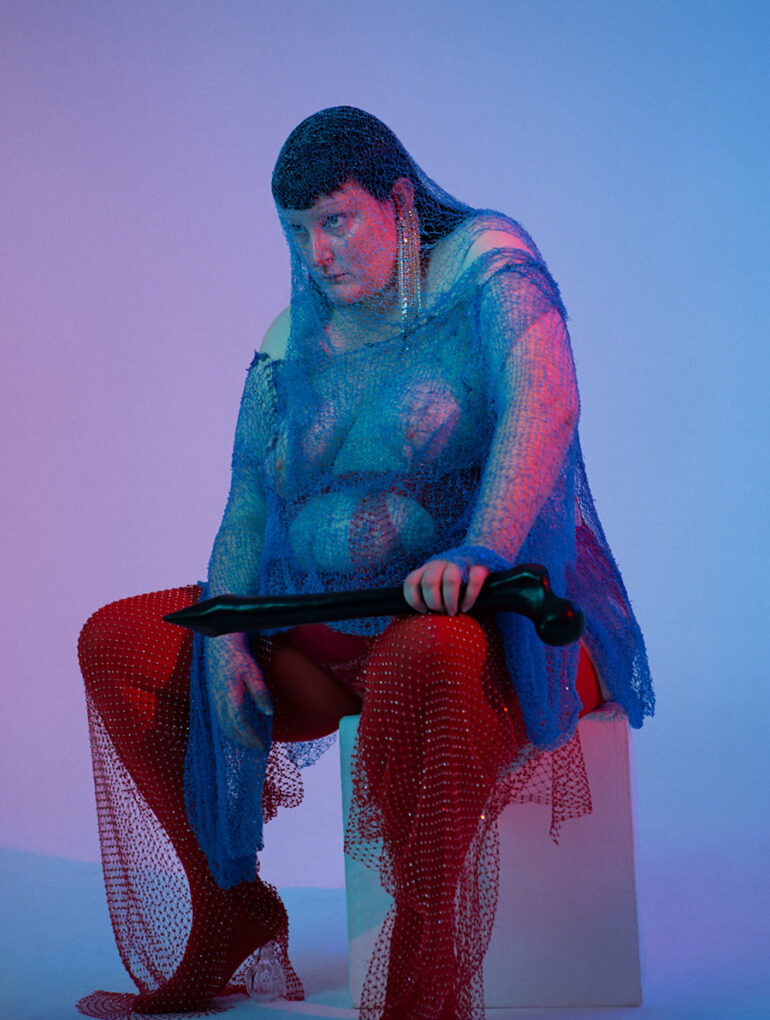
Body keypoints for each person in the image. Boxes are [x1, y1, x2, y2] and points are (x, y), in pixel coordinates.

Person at [77, 107, 653, 1020]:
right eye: (296, 231)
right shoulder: (290, 337)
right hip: (322, 643)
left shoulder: (489, 269)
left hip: (483, 638)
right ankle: (229, 906)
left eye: (335, 221)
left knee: (427, 656)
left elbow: (543, 408)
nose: (317, 253)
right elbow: (248, 501)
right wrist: (226, 637)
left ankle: (424, 972)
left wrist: (480, 547)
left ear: (398, 201)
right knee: (121, 643)